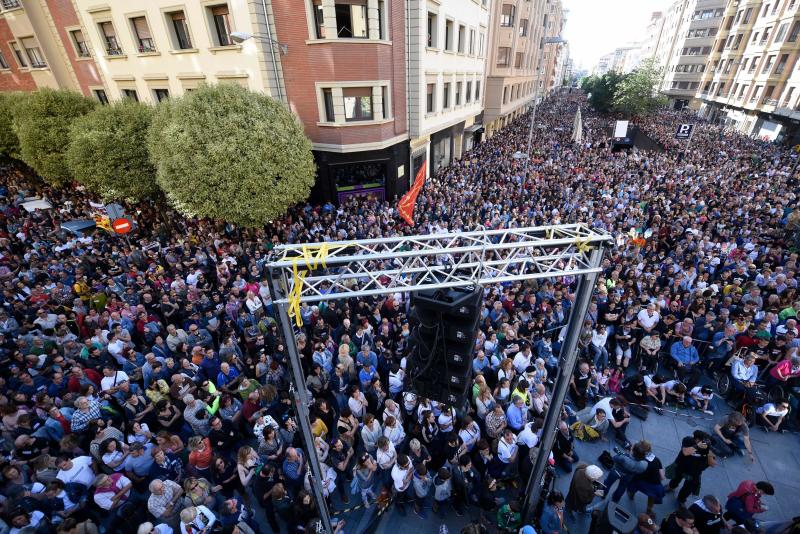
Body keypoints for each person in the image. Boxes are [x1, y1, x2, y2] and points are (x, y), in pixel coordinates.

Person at [667, 430, 716, 505]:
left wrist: (708, 452)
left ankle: (681, 499)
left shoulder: (708, 450)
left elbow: (712, 464)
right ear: (696, 439)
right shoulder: (688, 440)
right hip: (681, 466)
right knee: (675, 479)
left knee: (688, 489)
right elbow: (685, 452)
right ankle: (671, 487)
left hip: (694, 472)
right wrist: (697, 446)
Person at [565, 464, 604, 534]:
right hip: (576, 499)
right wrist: (594, 494)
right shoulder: (584, 487)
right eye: (597, 478)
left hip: (572, 491)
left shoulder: (582, 467)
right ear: (591, 478)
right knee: (571, 505)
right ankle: (569, 512)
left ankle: (580, 510)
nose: (598, 479)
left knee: (570, 501)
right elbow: (585, 500)